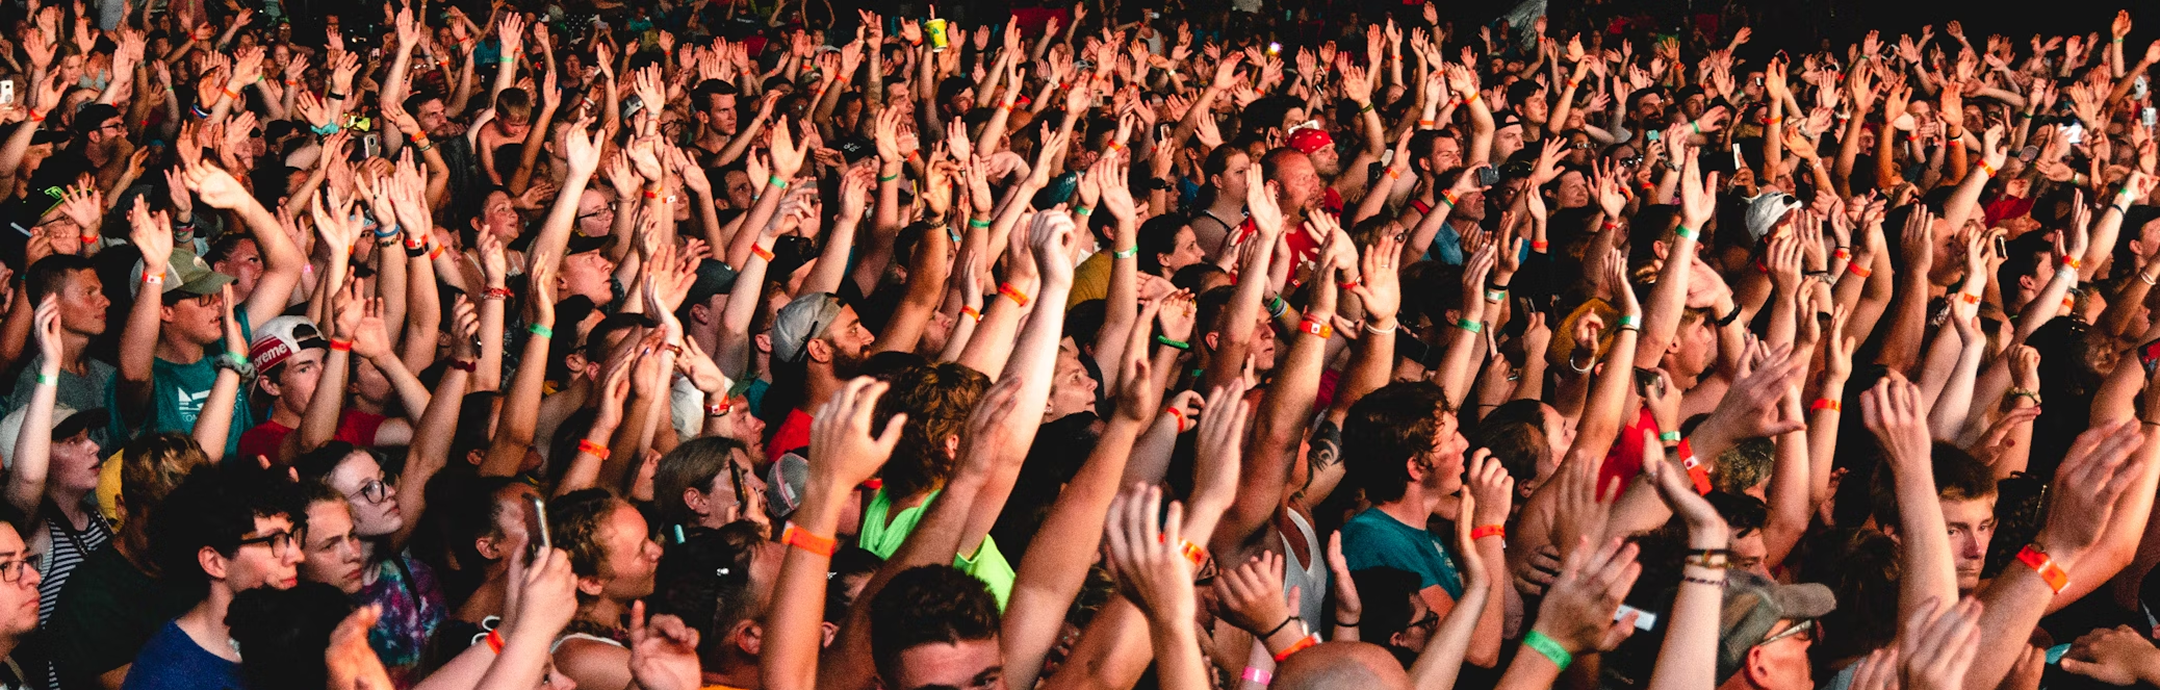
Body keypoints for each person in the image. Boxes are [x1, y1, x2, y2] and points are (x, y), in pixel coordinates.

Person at [125, 467, 305, 690]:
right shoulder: (166, 677)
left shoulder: (294, 630)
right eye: (274, 540)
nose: (298, 555)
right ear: (214, 562)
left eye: (293, 535)